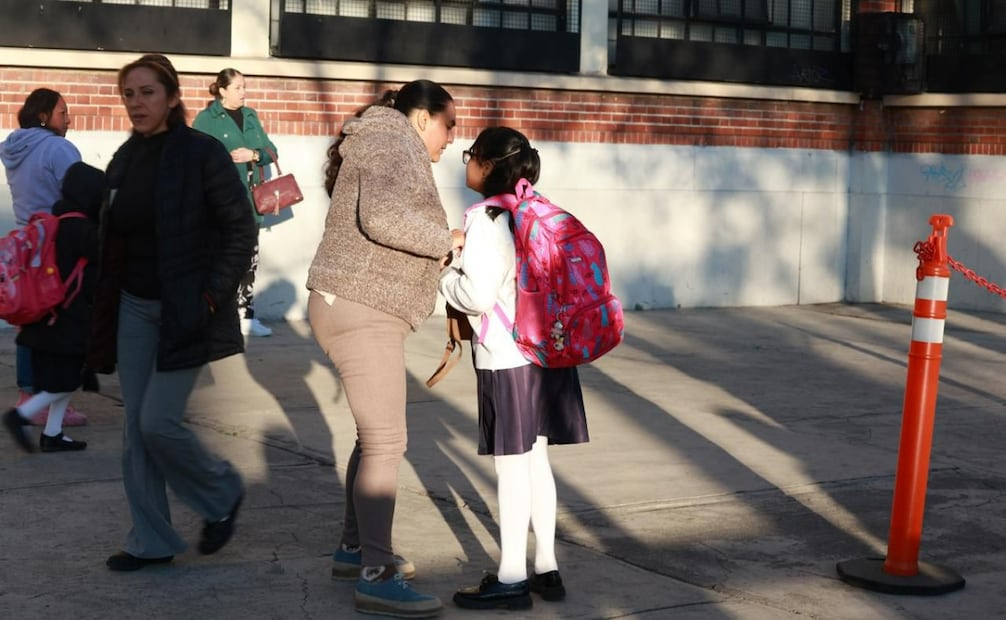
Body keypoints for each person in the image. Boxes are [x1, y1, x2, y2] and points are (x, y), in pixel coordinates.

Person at [86, 54, 256, 572]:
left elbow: (239, 229)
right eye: (130, 94)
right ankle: (151, 540)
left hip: (187, 310)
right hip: (134, 309)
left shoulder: (200, 153)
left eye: (148, 93)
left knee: (158, 423)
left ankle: (221, 493)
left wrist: (210, 297)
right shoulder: (124, 158)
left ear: (173, 97)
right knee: (136, 431)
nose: (137, 103)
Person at [306, 79, 464, 618]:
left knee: (372, 435)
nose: (450, 140)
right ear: (422, 118)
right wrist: (448, 238)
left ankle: (355, 550)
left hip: (356, 302)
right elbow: (384, 218)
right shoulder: (391, 139)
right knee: (386, 440)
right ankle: (376, 573)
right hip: (360, 304)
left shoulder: (385, 137)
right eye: (448, 125)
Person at [439, 127, 589, 611]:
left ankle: (509, 577)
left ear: (485, 165)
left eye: (470, 156)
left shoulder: (488, 218)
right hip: (548, 352)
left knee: (511, 467)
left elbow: (478, 296)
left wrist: (446, 276)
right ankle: (546, 566)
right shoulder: (534, 209)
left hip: (507, 358)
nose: (466, 163)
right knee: (536, 462)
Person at [0, 87, 88, 427]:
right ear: (43, 116)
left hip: (24, 241)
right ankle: (51, 399)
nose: (68, 120)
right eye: (62, 113)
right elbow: (78, 190)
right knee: (58, 320)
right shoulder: (58, 148)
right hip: (55, 241)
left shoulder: (13, 147)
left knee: (29, 317)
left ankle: (28, 394)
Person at [3, 162, 104, 453]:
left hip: (46, 318)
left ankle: (53, 433)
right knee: (64, 381)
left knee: (65, 380)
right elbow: (101, 271)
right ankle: (19, 415)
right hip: (67, 322)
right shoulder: (83, 230)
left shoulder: (54, 223)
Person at [193, 68, 278, 338]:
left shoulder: (251, 116)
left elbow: (271, 151)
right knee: (219, 260)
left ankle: (246, 315)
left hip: (251, 201)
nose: (244, 92)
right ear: (222, 91)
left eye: (244, 87)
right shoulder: (207, 120)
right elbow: (193, 157)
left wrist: (252, 154)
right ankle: (214, 315)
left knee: (248, 260)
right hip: (220, 201)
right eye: (238, 87)